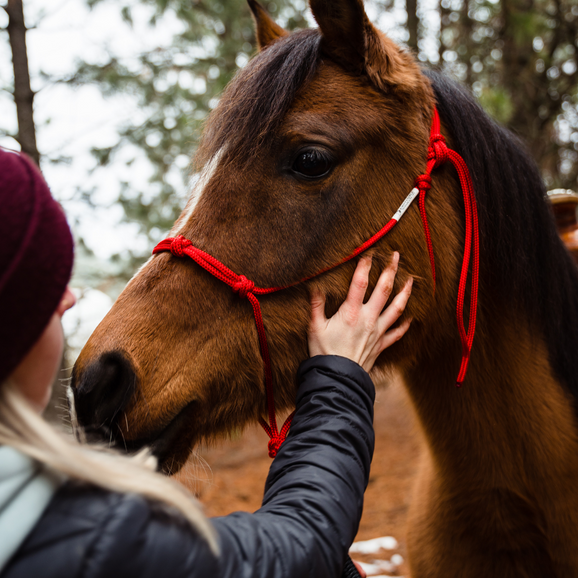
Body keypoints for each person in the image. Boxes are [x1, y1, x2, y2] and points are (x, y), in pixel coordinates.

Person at [0, 148, 412, 578]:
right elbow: (298, 548)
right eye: (44, 292)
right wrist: (339, 377)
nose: (68, 299)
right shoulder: (84, 542)